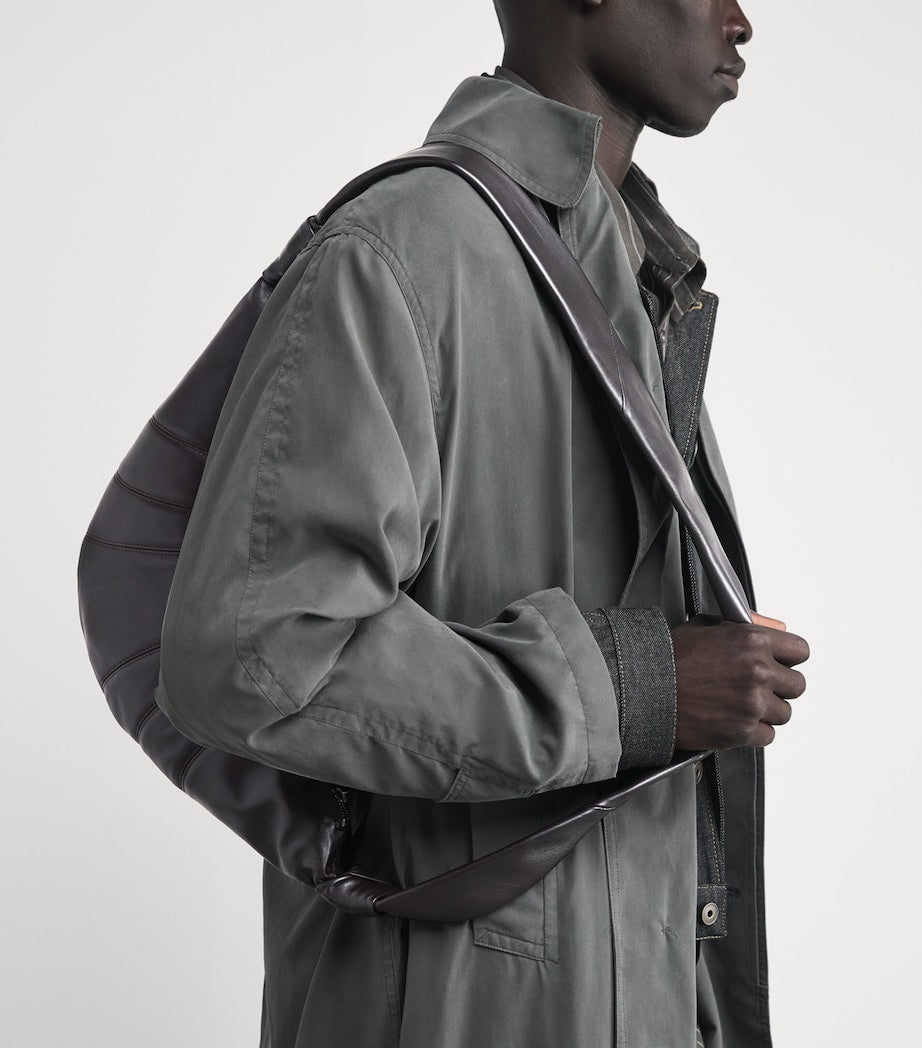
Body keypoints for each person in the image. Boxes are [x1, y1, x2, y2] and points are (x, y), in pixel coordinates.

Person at [154, 1, 810, 1045]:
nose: (742, 20)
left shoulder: (638, 279)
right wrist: (638, 688)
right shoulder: (406, 249)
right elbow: (253, 654)